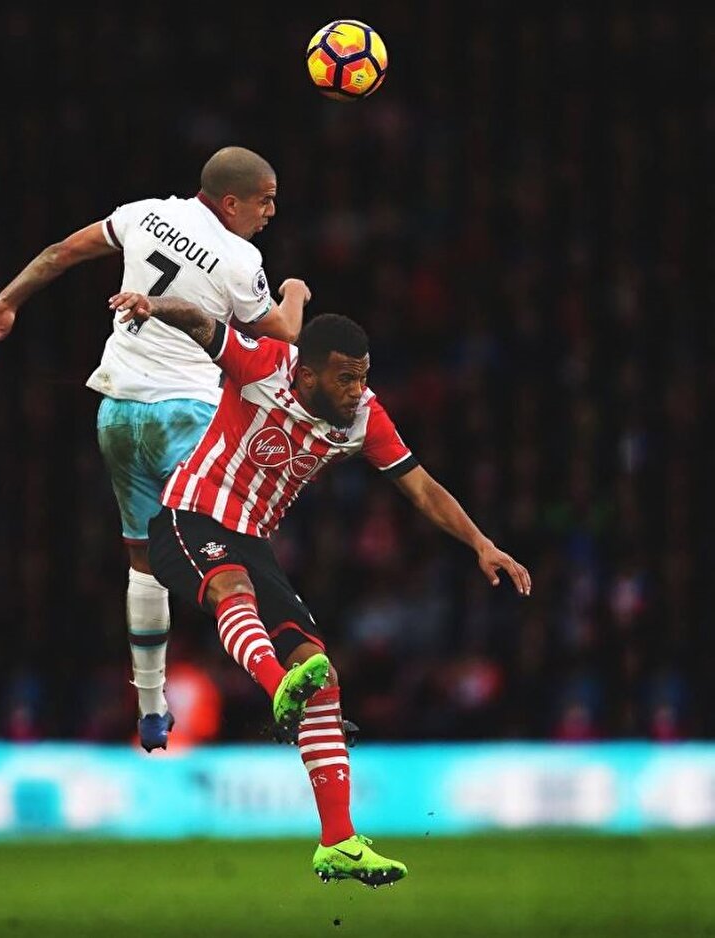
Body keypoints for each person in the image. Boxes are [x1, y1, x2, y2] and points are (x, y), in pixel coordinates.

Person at [107, 289, 532, 887]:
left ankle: (339, 842)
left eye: (363, 377)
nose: (357, 390)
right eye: (345, 379)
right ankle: (277, 686)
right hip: (188, 516)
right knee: (231, 587)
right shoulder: (263, 364)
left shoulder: (365, 417)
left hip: (253, 540)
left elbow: (421, 487)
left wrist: (481, 542)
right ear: (306, 375)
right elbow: (203, 323)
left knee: (322, 672)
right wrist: (153, 307)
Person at [0, 147, 310, 751]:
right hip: (189, 414)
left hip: (118, 413)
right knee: (234, 550)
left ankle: (151, 710)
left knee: (144, 562)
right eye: (265, 201)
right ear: (231, 202)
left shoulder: (142, 213)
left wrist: (6, 302)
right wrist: (295, 292)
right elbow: (282, 334)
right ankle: (279, 674)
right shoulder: (240, 259)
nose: (271, 212)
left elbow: (59, 253)